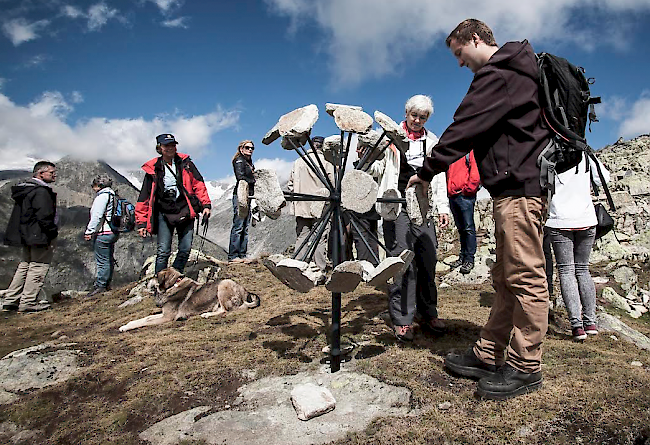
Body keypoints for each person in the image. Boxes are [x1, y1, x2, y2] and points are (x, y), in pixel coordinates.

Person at [408, 19, 551, 399]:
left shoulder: (499, 73)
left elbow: (464, 127)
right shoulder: (515, 70)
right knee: (507, 276)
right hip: (513, 188)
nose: (459, 63)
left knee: (525, 277)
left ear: (475, 39)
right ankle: (488, 352)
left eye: (459, 53)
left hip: (520, 190)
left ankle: (526, 366)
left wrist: (426, 171)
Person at [368, 94, 450, 342]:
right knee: (401, 260)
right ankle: (403, 317)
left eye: (422, 117)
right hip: (396, 205)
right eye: (414, 115)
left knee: (428, 257)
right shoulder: (389, 139)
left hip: (423, 206)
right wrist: (369, 154)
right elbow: (375, 171)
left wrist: (443, 208)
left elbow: (439, 178)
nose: (417, 120)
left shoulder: (432, 142)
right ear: (406, 113)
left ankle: (428, 313)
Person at [545, 155, 609, 341]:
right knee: (582, 269)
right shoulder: (585, 155)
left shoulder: (549, 154)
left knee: (566, 271)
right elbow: (604, 178)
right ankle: (591, 323)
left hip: (559, 220)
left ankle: (576, 326)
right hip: (587, 219)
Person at [136, 134, 211, 274]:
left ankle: (174, 277)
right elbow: (144, 198)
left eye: (173, 145)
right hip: (164, 212)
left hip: (185, 209)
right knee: (163, 251)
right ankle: (160, 281)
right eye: (166, 145)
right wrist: (141, 223)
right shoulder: (154, 169)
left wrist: (206, 205)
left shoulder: (186, 164)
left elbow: (198, 184)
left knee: (185, 248)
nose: (170, 148)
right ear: (159, 148)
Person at [2, 161, 58, 313]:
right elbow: (44, 215)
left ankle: (11, 300)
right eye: (51, 173)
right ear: (40, 174)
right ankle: (28, 302)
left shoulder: (26, 190)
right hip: (39, 235)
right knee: (38, 266)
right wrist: (52, 232)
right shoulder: (41, 192)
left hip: (26, 234)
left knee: (25, 265)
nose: (54, 175)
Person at [286, 136, 334, 271]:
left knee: (302, 236)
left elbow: (291, 185)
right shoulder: (326, 162)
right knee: (320, 237)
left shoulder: (298, 162)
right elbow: (333, 186)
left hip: (302, 205)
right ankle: (320, 268)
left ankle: (298, 266)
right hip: (320, 206)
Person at [84, 174, 118, 298]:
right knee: (108, 258)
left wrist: (89, 231)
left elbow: (97, 216)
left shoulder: (102, 197)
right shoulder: (113, 195)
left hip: (103, 232)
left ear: (99, 185)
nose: (93, 188)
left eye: (94, 185)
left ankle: (101, 286)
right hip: (113, 232)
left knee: (102, 261)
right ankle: (106, 283)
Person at [446, 151, 481, 274]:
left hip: (464, 195)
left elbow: (475, 173)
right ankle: (463, 257)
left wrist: (468, 189)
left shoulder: (469, 151)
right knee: (461, 228)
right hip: (453, 195)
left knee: (468, 227)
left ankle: (469, 259)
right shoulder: (452, 153)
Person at [350, 143, 381, 266]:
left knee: (361, 237)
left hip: (360, 207)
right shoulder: (376, 166)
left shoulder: (362, 167)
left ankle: (364, 266)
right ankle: (374, 264)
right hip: (373, 206)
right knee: (372, 236)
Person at [229, 140, 255, 262]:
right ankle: (234, 255)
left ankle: (242, 254)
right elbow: (240, 177)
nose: (250, 150)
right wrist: (254, 180)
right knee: (239, 225)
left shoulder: (248, 162)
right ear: (241, 149)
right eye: (248, 147)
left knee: (245, 226)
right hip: (241, 195)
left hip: (247, 195)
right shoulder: (239, 160)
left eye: (252, 148)